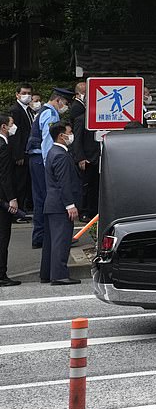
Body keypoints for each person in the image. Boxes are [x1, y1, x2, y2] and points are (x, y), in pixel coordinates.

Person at [26, 88, 73, 249]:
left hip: (36, 159)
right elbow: (48, 143)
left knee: (41, 197)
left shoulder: (43, 112)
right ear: (58, 100)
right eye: (65, 103)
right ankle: (43, 235)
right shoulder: (50, 114)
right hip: (41, 159)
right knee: (45, 198)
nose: (65, 106)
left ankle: (43, 235)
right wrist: (50, 167)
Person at [41, 122, 82, 285]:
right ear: (61, 135)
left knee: (51, 241)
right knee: (61, 240)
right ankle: (59, 275)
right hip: (60, 205)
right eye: (69, 133)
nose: (71, 136)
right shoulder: (61, 155)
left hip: (52, 203)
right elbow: (63, 183)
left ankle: (47, 273)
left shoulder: (53, 152)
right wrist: (70, 205)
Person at [69, 82, 100, 220]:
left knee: (96, 186)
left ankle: (94, 210)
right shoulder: (81, 119)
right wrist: (80, 157)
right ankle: (84, 211)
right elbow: (77, 140)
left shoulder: (101, 119)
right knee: (85, 187)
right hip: (87, 158)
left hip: (99, 158)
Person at [0, 114, 21, 286]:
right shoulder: (3, 147)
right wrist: (12, 199)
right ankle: (1, 275)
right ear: (3, 127)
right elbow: (5, 176)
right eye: (11, 124)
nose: (13, 127)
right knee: (3, 236)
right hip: (2, 200)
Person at [8, 82, 34, 218]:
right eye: (24, 93)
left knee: (25, 181)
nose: (27, 96)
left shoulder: (28, 110)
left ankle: (24, 207)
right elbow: (15, 134)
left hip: (27, 151)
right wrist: (18, 154)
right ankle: (17, 211)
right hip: (21, 153)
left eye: (29, 93)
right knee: (19, 181)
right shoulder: (16, 110)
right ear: (17, 95)